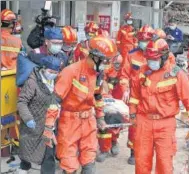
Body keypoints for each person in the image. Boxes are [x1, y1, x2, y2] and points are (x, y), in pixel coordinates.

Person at [129, 38, 189, 174]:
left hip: (165, 124)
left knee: (164, 164)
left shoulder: (176, 74)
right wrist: (132, 114)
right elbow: (134, 96)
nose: (151, 63)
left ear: (164, 56)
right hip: (144, 122)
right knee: (141, 163)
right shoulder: (143, 71)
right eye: (148, 59)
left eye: (154, 60)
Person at [54, 36, 117, 174]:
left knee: (89, 160)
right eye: (105, 60)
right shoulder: (70, 71)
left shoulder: (98, 74)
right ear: (94, 56)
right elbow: (55, 101)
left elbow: (98, 96)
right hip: (69, 121)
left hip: (88, 121)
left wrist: (100, 117)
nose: (107, 64)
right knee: (69, 161)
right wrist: (48, 126)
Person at [17, 56, 62, 174]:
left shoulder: (55, 81)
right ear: (44, 69)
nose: (53, 74)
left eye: (55, 72)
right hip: (33, 124)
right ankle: (24, 167)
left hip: (49, 125)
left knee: (48, 154)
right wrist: (27, 119)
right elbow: (22, 102)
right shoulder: (32, 82)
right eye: (51, 72)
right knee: (27, 150)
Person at [119, 24, 155, 165]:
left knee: (150, 125)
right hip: (134, 97)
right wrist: (125, 89)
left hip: (151, 98)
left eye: (146, 40)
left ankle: (147, 150)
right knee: (134, 126)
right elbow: (124, 75)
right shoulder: (132, 54)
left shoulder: (156, 56)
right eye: (141, 39)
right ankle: (133, 152)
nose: (143, 43)